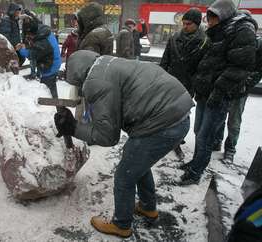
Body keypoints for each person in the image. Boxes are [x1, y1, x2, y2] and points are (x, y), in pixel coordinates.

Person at [54, 50, 193, 238]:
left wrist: (74, 128)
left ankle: (122, 224)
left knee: (124, 175)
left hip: (164, 121)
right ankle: (147, 207)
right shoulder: (108, 63)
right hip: (177, 111)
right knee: (136, 161)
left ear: (79, 75)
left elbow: (107, 136)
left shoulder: (96, 82)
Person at [180, 0, 256, 185]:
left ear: (223, 15)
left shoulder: (241, 30)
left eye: (212, 18)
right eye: (209, 17)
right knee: (199, 131)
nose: (209, 22)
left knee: (206, 136)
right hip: (207, 92)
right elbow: (209, 59)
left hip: (219, 95)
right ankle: (195, 163)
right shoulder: (219, 31)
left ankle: (195, 172)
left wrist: (218, 91)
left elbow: (238, 68)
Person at [160, 8, 208, 161]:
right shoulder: (174, 38)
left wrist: (195, 83)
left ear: (197, 24)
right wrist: (160, 78)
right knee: (167, 111)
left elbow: (204, 67)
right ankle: (167, 137)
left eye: (188, 24)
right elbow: (165, 61)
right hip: (171, 82)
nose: (185, 26)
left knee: (183, 114)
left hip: (188, 86)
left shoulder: (205, 41)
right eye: (184, 23)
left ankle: (177, 140)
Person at [212, 10, 260, 163]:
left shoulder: (256, 43)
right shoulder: (230, 37)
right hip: (226, 85)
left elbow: (259, 70)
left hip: (240, 89)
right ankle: (217, 142)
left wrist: (246, 84)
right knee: (220, 116)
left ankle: (230, 150)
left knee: (234, 121)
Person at [17, 19, 61, 98]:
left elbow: (31, 55)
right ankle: (57, 106)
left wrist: (21, 49)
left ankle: (56, 107)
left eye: (28, 35)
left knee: (47, 93)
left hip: (50, 66)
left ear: (32, 34)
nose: (28, 37)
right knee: (51, 90)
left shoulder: (42, 42)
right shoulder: (43, 32)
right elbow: (36, 45)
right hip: (53, 62)